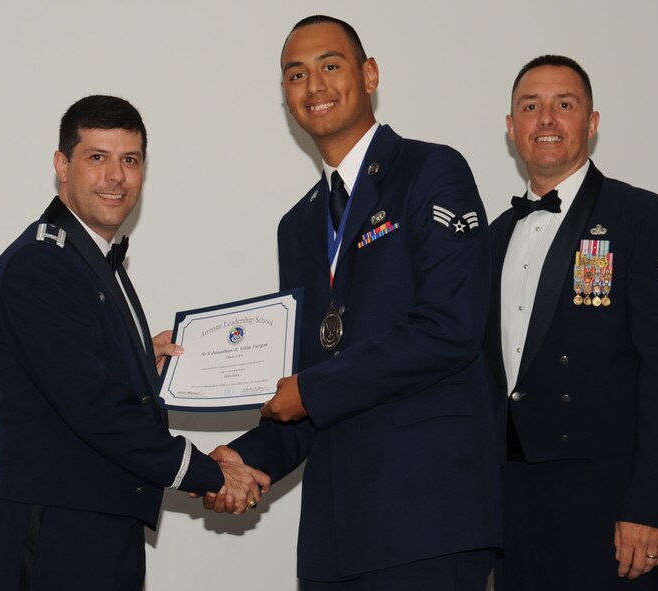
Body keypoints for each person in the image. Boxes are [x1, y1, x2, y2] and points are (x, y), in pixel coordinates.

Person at [204, 15, 501, 590]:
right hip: (338, 531)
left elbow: (451, 328)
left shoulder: (431, 171)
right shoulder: (297, 225)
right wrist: (244, 460)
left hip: (430, 515)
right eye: (296, 74)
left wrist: (310, 391)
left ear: (369, 75)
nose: (313, 85)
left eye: (330, 65)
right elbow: (310, 379)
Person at [0, 95, 269, 590]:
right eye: (97, 157)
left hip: (98, 528)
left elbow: (76, 374)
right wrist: (209, 474)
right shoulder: (40, 264)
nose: (116, 177)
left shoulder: (91, 259)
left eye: (130, 160)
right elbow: (95, 407)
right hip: (54, 534)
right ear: (62, 165)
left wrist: (137, 364)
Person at [485, 55, 658, 590]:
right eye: (530, 107)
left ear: (592, 122)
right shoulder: (492, 237)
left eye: (564, 104)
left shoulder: (647, 220)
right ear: (511, 127)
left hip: (609, 505)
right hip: (512, 505)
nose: (546, 118)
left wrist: (650, 507)